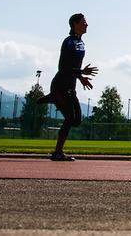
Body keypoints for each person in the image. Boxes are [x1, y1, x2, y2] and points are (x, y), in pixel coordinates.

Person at [37, 13, 97, 161]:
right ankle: (57, 153)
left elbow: (73, 67)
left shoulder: (81, 43)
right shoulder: (68, 42)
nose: (87, 24)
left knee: (76, 121)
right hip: (60, 87)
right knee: (70, 118)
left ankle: (52, 99)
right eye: (83, 22)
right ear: (75, 24)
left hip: (71, 87)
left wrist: (81, 77)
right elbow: (63, 67)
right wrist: (81, 71)